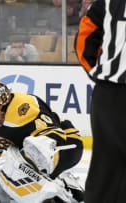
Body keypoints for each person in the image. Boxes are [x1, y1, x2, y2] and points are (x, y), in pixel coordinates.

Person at [75, 1, 126, 203]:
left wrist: (101, 75)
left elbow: (84, 38)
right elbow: (85, 36)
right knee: (106, 167)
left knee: (106, 169)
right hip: (111, 93)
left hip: (110, 93)